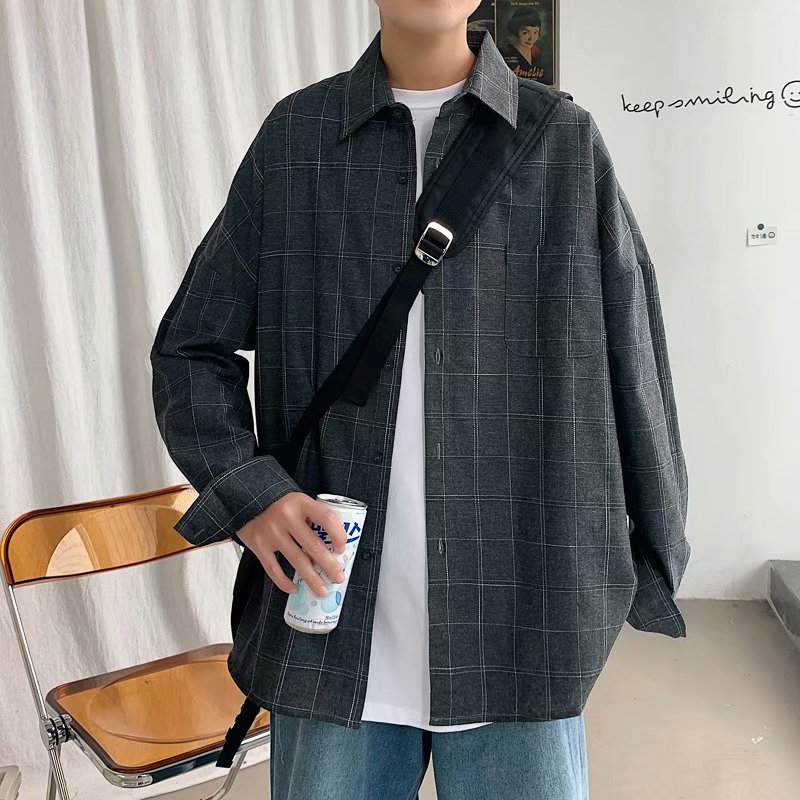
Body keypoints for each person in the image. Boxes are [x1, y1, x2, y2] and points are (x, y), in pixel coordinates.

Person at [149, 1, 690, 797]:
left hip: (521, 619)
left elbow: (633, 361)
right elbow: (191, 350)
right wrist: (252, 495)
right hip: (329, 625)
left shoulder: (560, 144)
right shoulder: (297, 141)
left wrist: (647, 551)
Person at [498, 7, 552, 85]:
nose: (531, 38)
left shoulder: (536, 52)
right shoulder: (505, 52)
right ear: (516, 30)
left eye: (535, 32)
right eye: (525, 33)